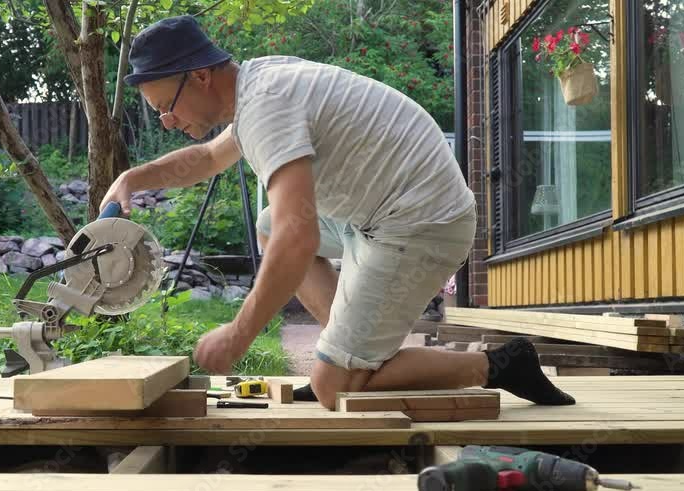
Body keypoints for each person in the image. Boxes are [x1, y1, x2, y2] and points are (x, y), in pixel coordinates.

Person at [101, 15, 575, 409]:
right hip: (380, 213)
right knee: (268, 226)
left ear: (200, 76)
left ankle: (499, 364)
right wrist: (133, 178)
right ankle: (346, 350)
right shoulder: (257, 85)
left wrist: (238, 334)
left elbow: (298, 239)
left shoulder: (266, 107)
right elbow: (207, 159)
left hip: (422, 223)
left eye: (166, 107)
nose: (168, 121)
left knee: (335, 389)